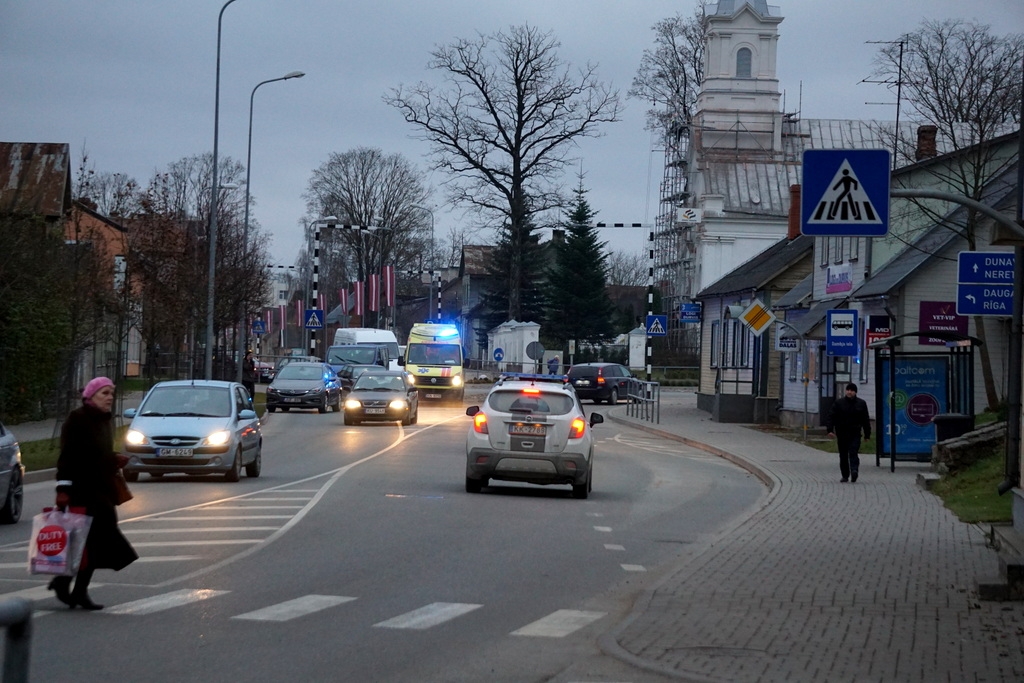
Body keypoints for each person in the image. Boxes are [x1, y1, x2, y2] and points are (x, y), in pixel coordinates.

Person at [50, 377, 138, 610]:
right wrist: (63, 489)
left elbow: (99, 455)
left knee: (93, 544)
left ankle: (75, 589)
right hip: (81, 491)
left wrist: (113, 458)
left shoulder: (105, 421)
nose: (109, 397)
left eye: (111, 393)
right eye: (104, 393)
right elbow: (69, 457)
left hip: (101, 491)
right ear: (90, 397)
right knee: (87, 543)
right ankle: (66, 584)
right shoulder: (77, 420)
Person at [826, 382, 872, 483]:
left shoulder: (861, 403)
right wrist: (829, 429)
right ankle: (845, 475)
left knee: (853, 452)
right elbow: (831, 416)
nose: (849, 392)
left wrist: (867, 434)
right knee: (843, 455)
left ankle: (854, 470)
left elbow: (865, 419)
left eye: (852, 390)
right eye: (848, 390)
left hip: (855, 433)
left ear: (855, 392)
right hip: (842, 433)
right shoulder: (839, 403)